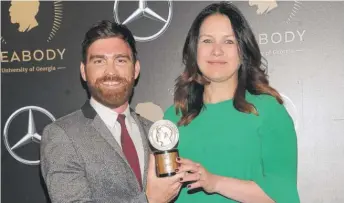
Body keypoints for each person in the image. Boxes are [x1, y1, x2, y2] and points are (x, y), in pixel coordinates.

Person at [164, 2, 300, 203]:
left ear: (242, 50)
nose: (216, 51)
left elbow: (284, 197)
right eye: (207, 41)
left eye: (228, 42)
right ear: (194, 50)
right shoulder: (173, 117)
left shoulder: (268, 111)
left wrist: (216, 183)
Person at [40, 20, 183, 203]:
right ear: (84, 71)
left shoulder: (154, 132)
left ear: (136, 69)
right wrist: (149, 200)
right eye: (99, 61)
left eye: (120, 60)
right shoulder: (62, 135)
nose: (111, 71)